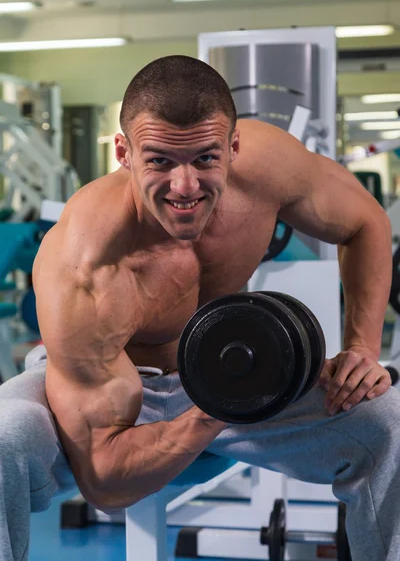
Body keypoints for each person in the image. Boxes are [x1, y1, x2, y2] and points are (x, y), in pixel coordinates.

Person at [0, 54, 398, 561]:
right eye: (160, 160)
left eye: (206, 159)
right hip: (110, 390)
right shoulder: (85, 261)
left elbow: (366, 223)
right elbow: (105, 482)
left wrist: (363, 348)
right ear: (123, 153)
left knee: (389, 421)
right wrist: (219, 404)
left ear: (234, 146)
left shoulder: (269, 168)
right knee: (4, 435)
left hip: (236, 374)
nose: (184, 187)